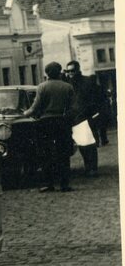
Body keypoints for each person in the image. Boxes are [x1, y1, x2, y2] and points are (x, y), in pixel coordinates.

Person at [23, 62, 75, 192]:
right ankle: (64, 184)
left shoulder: (42, 87)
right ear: (59, 72)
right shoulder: (68, 87)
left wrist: (24, 113)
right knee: (63, 153)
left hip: (45, 123)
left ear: (47, 73)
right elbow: (72, 107)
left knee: (45, 153)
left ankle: (48, 183)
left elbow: (35, 107)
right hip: (62, 122)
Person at [65, 60, 106, 176]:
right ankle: (88, 167)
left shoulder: (88, 81)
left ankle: (93, 168)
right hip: (75, 118)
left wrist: (94, 113)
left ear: (78, 70)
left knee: (90, 143)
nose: (70, 73)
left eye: (72, 71)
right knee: (81, 144)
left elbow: (98, 98)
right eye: (68, 71)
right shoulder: (67, 84)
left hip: (87, 116)